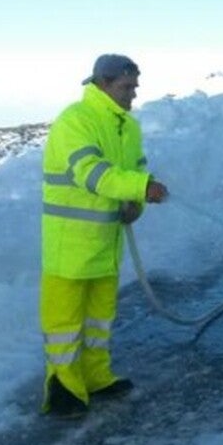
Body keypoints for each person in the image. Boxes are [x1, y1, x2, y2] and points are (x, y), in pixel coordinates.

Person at [39, 53, 169, 419]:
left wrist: (136, 202)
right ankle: (63, 388)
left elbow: (137, 168)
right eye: (126, 87)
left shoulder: (127, 127)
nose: (133, 95)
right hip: (70, 247)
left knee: (99, 320)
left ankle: (96, 377)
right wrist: (142, 188)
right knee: (64, 323)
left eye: (135, 87)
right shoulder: (75, 121)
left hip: (105, 243)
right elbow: (91, 174)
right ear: (103, 84)